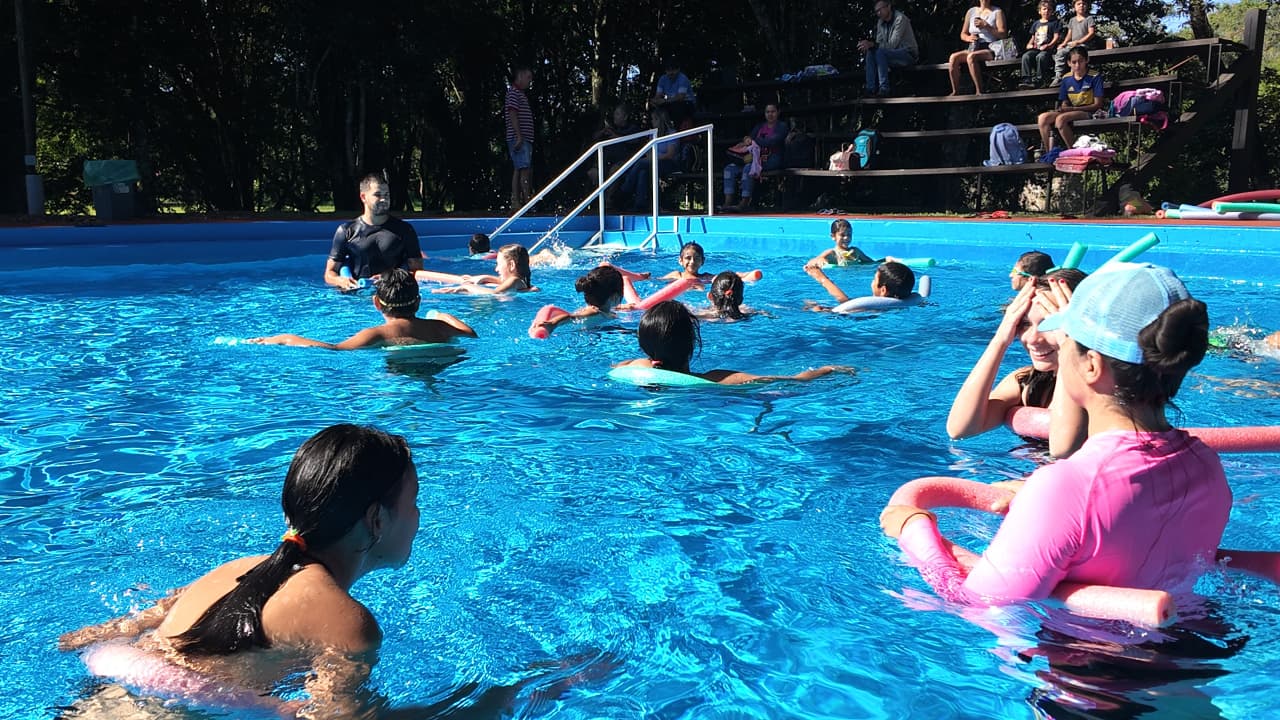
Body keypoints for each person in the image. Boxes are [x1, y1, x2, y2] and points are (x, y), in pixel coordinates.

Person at [882, 263, 1229, 607]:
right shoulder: (1207, 466)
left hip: (1076, 658)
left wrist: (913, 529)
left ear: (1090, 364)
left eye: (1067, 342)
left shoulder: (1065, 487)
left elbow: (978, 603)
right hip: (1193, 653)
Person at [56, 425, 432, 716]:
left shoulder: (234, 570)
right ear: (376, 520)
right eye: (413, 502)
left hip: (96, 702)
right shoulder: (348, 623)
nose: (418, 516)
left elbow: (103, 632)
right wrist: (477, 706)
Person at [946, 269, 1088, 457]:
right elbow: (961, 429)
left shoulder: (1105, 389)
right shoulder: (1028, 382)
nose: (1032, 339)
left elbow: (1063, 448)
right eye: (1025, 324)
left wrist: (1068, 345)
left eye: (1051, 324)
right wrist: (1001, 339)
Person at [614, 301, 851, 384]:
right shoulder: (716, 379)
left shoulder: (633, 367)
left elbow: (618, 367)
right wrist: (827, 369)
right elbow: (791, 381)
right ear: (693, 341)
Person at [248, 269, 477, 348]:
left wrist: (285, 338)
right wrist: (444, 315)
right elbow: (471, 335)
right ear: (418, 302)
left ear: (377, 303)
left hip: (396, 381)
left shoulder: (377, 334)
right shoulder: (439, 327)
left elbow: (334, 349)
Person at [324, 174, 424, 291]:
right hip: (356, 295)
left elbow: (417, 271)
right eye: (378, 195)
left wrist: (389, 278)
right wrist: (341, 280)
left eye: (387, 195)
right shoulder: (346, 231)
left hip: (391, 293)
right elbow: (330, 273)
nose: (384, 199)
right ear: (363, 197)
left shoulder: (405, 230)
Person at [1037, 46, 1104, 158]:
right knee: (1042, 118)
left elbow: (1097, 104)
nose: (1077, 65)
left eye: (1080, 61)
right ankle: (1049, 153)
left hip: (1088, 112)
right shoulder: (1066, 78)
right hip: (1071, 111)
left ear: (1086, 60)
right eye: (1074, 62)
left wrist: (1071, 109)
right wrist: (1063, 108)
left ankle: (1074, 152)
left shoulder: (1094, 76)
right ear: (1069, 63)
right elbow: (1065, 101)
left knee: (1061, 120)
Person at [722, 104, 788, 212]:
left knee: (748, 168)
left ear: (778, 112)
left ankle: (744, 202)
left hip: (771, 159)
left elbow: (773, 141)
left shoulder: (782, 126)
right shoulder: (759, 126)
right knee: (729, 168)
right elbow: (749, 138)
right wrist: (747, 140)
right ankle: (727, 202)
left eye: (773, 111)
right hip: (753, 157)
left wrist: (754, 141)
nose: (770, 114)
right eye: (767, 112)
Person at [532, 265, 625, 336]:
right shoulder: (594, 312)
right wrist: (552, 324)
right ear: (615, 297)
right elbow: (571, 317)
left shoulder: (603, 311)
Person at [618, 107, 679, 212]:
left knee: (640, 163)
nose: (652, 122)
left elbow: (670, 154)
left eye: (654, 119)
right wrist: (651, 157)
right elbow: (648, 151)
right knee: (643, 171)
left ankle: (624, 191)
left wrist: (654, 158)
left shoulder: (671, 133)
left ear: (660, 120)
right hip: (653, 162)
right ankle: (639, 204)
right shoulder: (653, 134)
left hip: (668, 163)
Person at [858, 0, 920, 97]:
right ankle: (870, 89)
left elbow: (892, 45)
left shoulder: (900, 19)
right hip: (890, 55)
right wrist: (869, 46)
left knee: (879, 51)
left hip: (908, 54)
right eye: (876, 11)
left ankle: (884, 89)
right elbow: (879, 43)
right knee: (871, 52)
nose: (879, 13)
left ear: (888, 7)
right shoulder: (880, 22)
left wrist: (872, 44)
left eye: (880, 10)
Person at [948, 0, 1008, 95]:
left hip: (990, 47)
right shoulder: (971, 12)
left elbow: (1003, 34)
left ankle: (979, 91)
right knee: (953, 57)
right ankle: (955, 91)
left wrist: (987, 26)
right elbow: (963, 34)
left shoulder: (997, 12)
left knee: (971, 57)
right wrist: (968, 38)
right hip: (974, 45)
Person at [804, 260, 915, 309]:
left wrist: (822, 278)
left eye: (874, 280)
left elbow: (845, 304)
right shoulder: (912, 302)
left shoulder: (869, 308)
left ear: (883, 290)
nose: (872, 282)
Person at [432, 243, 537, 294]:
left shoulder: (514, 280)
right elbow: (502, 282)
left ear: (512, 265)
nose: (496, 269)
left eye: (499, 264)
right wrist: (485, 277)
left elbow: (495, 294)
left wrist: (468, 287)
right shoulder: (519, 281)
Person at [587, 103, 641, 185]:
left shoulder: (633, 129)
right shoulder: (612, 128)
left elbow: (635, 141)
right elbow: (594, 137)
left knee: (614, 171)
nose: (614, 116)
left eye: (617, 114)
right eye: (615, 114)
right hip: (606, 162)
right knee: (593, 173)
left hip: (624, 162)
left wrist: (616, 136)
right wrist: (603, 132)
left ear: (625, 117)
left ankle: (609, 197)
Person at [505, 66, 535, 210]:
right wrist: (518, 136)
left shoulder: (520, 94)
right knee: (522, 168)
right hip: (519, 138)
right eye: (528, 77)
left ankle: (520, 200)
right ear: (520, 75)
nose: (530, 81)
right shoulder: (513, 93)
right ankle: (523, 200)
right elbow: (512, 114)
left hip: (524, 138)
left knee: (522, 167)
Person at [1019, 0, 1063, 89]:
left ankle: (1040, 80)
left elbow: (1056, 37)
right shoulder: (1036, 24)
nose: (1046, 11)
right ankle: (1026, 79)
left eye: (1049, 9)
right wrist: (1029, 45)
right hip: (1036, 48)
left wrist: (1049, 45)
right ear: (1039, 11)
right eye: (1044, 9)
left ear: (1052, 11)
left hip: (1048, 49)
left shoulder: (1054, 23)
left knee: (1041, 57)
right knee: (1026, 56)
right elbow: (1033, 38)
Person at [1053, 0, 1097, 85]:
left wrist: (1079, 42)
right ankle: (1058, 76)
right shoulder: (1072, 20)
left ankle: (1074, 78)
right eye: (1079, 4)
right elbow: (1069, 34)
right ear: (1074, 7)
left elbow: (1091, 33)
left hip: (1084, 45)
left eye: (1084, 4)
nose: (1081, 6)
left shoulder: (1089, 18)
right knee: (1060, 52)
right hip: (1072, 45)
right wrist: (1063, 44)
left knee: (1075, 56)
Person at [804, 219, 878, 269]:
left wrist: (885, 261)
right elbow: (812, 261)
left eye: (849, 235)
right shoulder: (833, 253)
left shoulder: (856, 251)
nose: (846, 238)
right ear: (833, 236)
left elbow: (872, 263)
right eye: (842, 235)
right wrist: (820, 261)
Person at [651, 59, 696, 124]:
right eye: (668, 70)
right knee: (656, 110)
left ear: (678, 69)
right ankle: (661, 130)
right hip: (671, 102)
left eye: (673, 70)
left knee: (676, 107)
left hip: (686, 103)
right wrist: (655, 101)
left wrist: (664, 101)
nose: (671, 72)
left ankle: (677, 129)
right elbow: (658, 95)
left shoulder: (682, 78)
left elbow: (681, 97)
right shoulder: (662, 79)